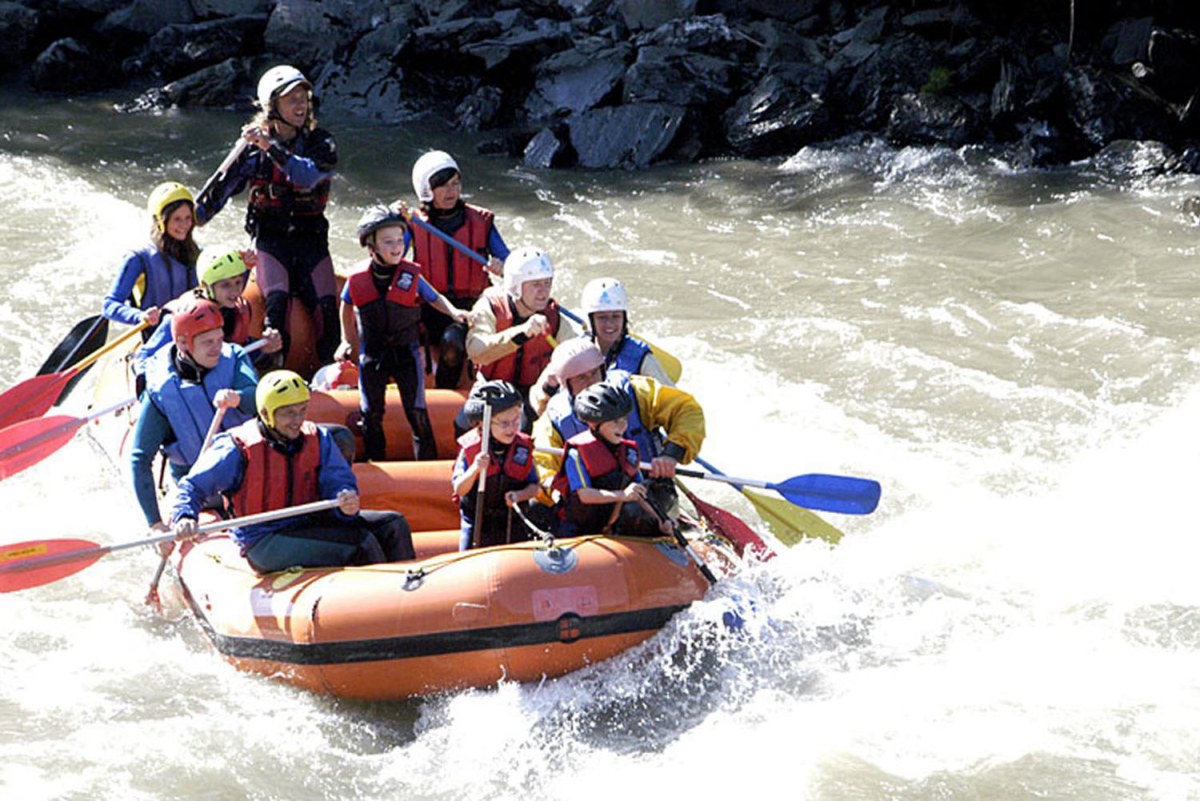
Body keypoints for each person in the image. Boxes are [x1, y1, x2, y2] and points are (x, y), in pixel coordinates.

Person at [170, 370, 415, 574]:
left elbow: (337, 478)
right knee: (362, 544)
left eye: (302, 410)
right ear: (266, 413)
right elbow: (192, 486)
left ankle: (412, 602)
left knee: (393, 525)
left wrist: (345, 496)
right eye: (288, 413)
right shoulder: (235, 449)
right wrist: (184, 516)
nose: (297, 420)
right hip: (264, 538)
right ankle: (380, 616)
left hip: (308, 522)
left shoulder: (318, 438)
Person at [193, 65, 340, 365]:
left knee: (327, 310)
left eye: (303, 98)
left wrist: (269, 147)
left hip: (311, 237)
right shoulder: (251, 149)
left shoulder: (321, 143)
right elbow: (220, 190)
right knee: (276, 312)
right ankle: (273, 381)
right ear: (273, 107)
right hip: (271, 239)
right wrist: (191, 216)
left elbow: (307, 177)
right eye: (291, 99)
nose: (300, 105)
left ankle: (329, 380)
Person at [337, 206, 472, 461]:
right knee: (371, 414)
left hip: (406, 352)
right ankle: (376, 463)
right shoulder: (356, 278)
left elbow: (434, 298)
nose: (397, 246)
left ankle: (427, 464)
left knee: (417, 413)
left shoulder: (410, 274)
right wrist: (346, 340)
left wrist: (455, 312)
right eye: (388, 242)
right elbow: (346, 307)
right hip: (373, 354)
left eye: (400, 240)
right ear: (371, 247)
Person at [531, 339, 705, 518]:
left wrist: (671, 454)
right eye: (581, 378)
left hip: (647, 489)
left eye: (594, 373)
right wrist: (554, 489)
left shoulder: (636, 391)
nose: (591, 383)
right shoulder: (553, 419)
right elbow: (542, 463)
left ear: (603, 370)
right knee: (536, 508)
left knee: (631, 511)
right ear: (567, 385)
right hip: (594, 500)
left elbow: (686, 410)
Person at [131, 298, 259, 534]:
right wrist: (156, 524)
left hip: (249, 469)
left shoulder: (235, 357)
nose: (217, 348)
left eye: (220, 339)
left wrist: (238, 398)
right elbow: (140, 458)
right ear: (182, 343)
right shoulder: (162, 390)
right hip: (201, 487)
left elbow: (258, 399)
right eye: (207, 342)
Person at [407, 150, 511, 388]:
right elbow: (391, 256)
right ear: (426, 190)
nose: (451, 192)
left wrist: (502, 266)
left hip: (473, 308)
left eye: (455, 184)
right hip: (432, 305)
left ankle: (446, 394)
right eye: (443, 186)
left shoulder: (480, 221)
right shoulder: (414, 223)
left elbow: (510, 264)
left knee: (453, 341)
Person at [465, 246, 579, 426]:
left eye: (547, 283)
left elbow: (575, 347)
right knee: (463, 424)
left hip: (533, 389)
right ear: (516, 286)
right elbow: (477, 351)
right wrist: (522, 333)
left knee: (525, 423)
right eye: (535, 284)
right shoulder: (489, 306)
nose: (544, 291)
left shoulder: (552, 315)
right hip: (492, 386)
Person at [134, 246, 283, 376]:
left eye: (238, 282)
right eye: (226, 285)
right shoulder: (183, 315)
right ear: (206, 285)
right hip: (184, 383)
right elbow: (144, 356)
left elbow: (239, 350)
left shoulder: (236, 311)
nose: (235, 291)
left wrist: (264, 348)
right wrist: (148, 382)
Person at [552, 382, 671, 537]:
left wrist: (661, 519)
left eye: (624, 420)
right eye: (615, 422)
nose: (623, 427)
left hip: (608, 525)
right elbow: (584, 495)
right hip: (576, 528)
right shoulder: (577, 452)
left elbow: (640, 492)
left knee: (639, 510)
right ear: (594, 424)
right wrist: (622, 495)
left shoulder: (629, 451)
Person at [452, 380, 540, 551]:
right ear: (482, 424)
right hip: (478, 524)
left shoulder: (522, 448)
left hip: (510, 522)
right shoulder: (470, 450)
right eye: (504, 423)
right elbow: (459, 489)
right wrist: (475, 469)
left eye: (516, 421)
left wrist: (519, 494)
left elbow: (535, 488)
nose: (512, 428)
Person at [102, 181, 199, 334]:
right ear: (161, 220)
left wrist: (245, 267)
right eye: (177, 219)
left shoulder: (196, 253)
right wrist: (140, 316)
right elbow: (109, 305)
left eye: (188, 218)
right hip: (155, 334)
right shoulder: (138, 259)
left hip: (191, 332)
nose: (184, 224)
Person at [580, 277, 674, 386]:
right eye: (602, 317)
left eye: (616, 316)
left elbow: (673, 398)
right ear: (591, 320)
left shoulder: (643, 359)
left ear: (624, 318)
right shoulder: (576, 352)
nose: (610, 323)